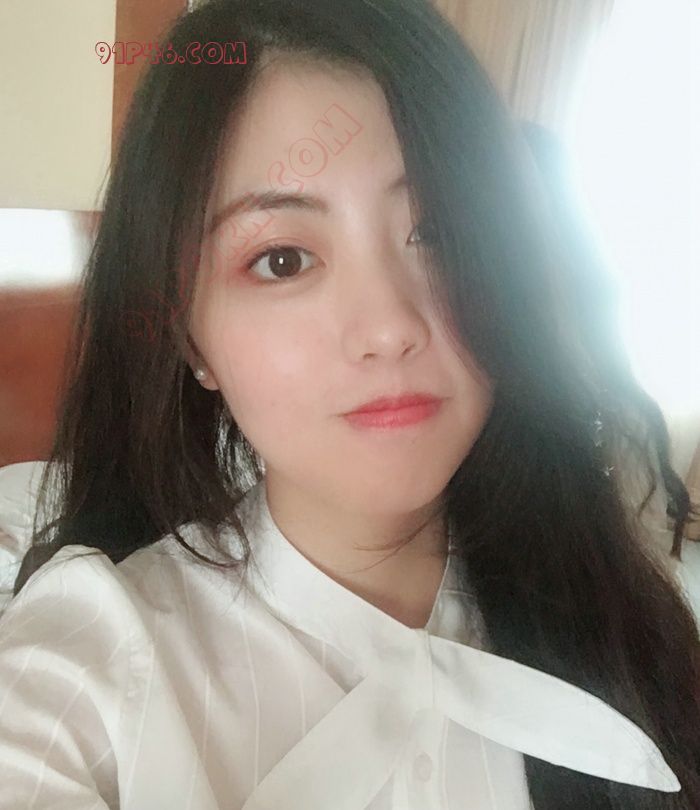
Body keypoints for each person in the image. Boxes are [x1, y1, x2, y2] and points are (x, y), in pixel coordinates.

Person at [1, 0, 699, 807]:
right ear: (190, 340)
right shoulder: (85, 665)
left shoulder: (625, 619)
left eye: (438, 235)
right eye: (283, 259)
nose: (390, 328)